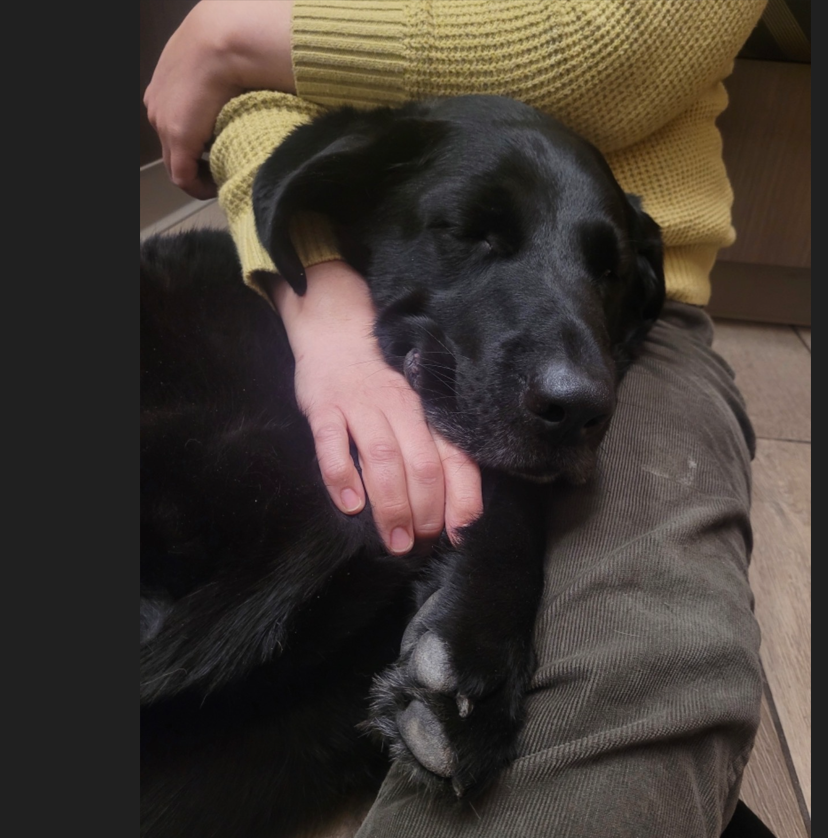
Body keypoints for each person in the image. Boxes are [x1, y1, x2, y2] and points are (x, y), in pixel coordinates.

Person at [145, 2, 769, 835]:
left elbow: (620, 47)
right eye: (476, 230)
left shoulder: (610, 331)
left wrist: (230, 36)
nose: (569, 384)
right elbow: (256, 103)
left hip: (644, 313)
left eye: (601, 268)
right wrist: (319, 289)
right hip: (318, 242)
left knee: (652, 667)